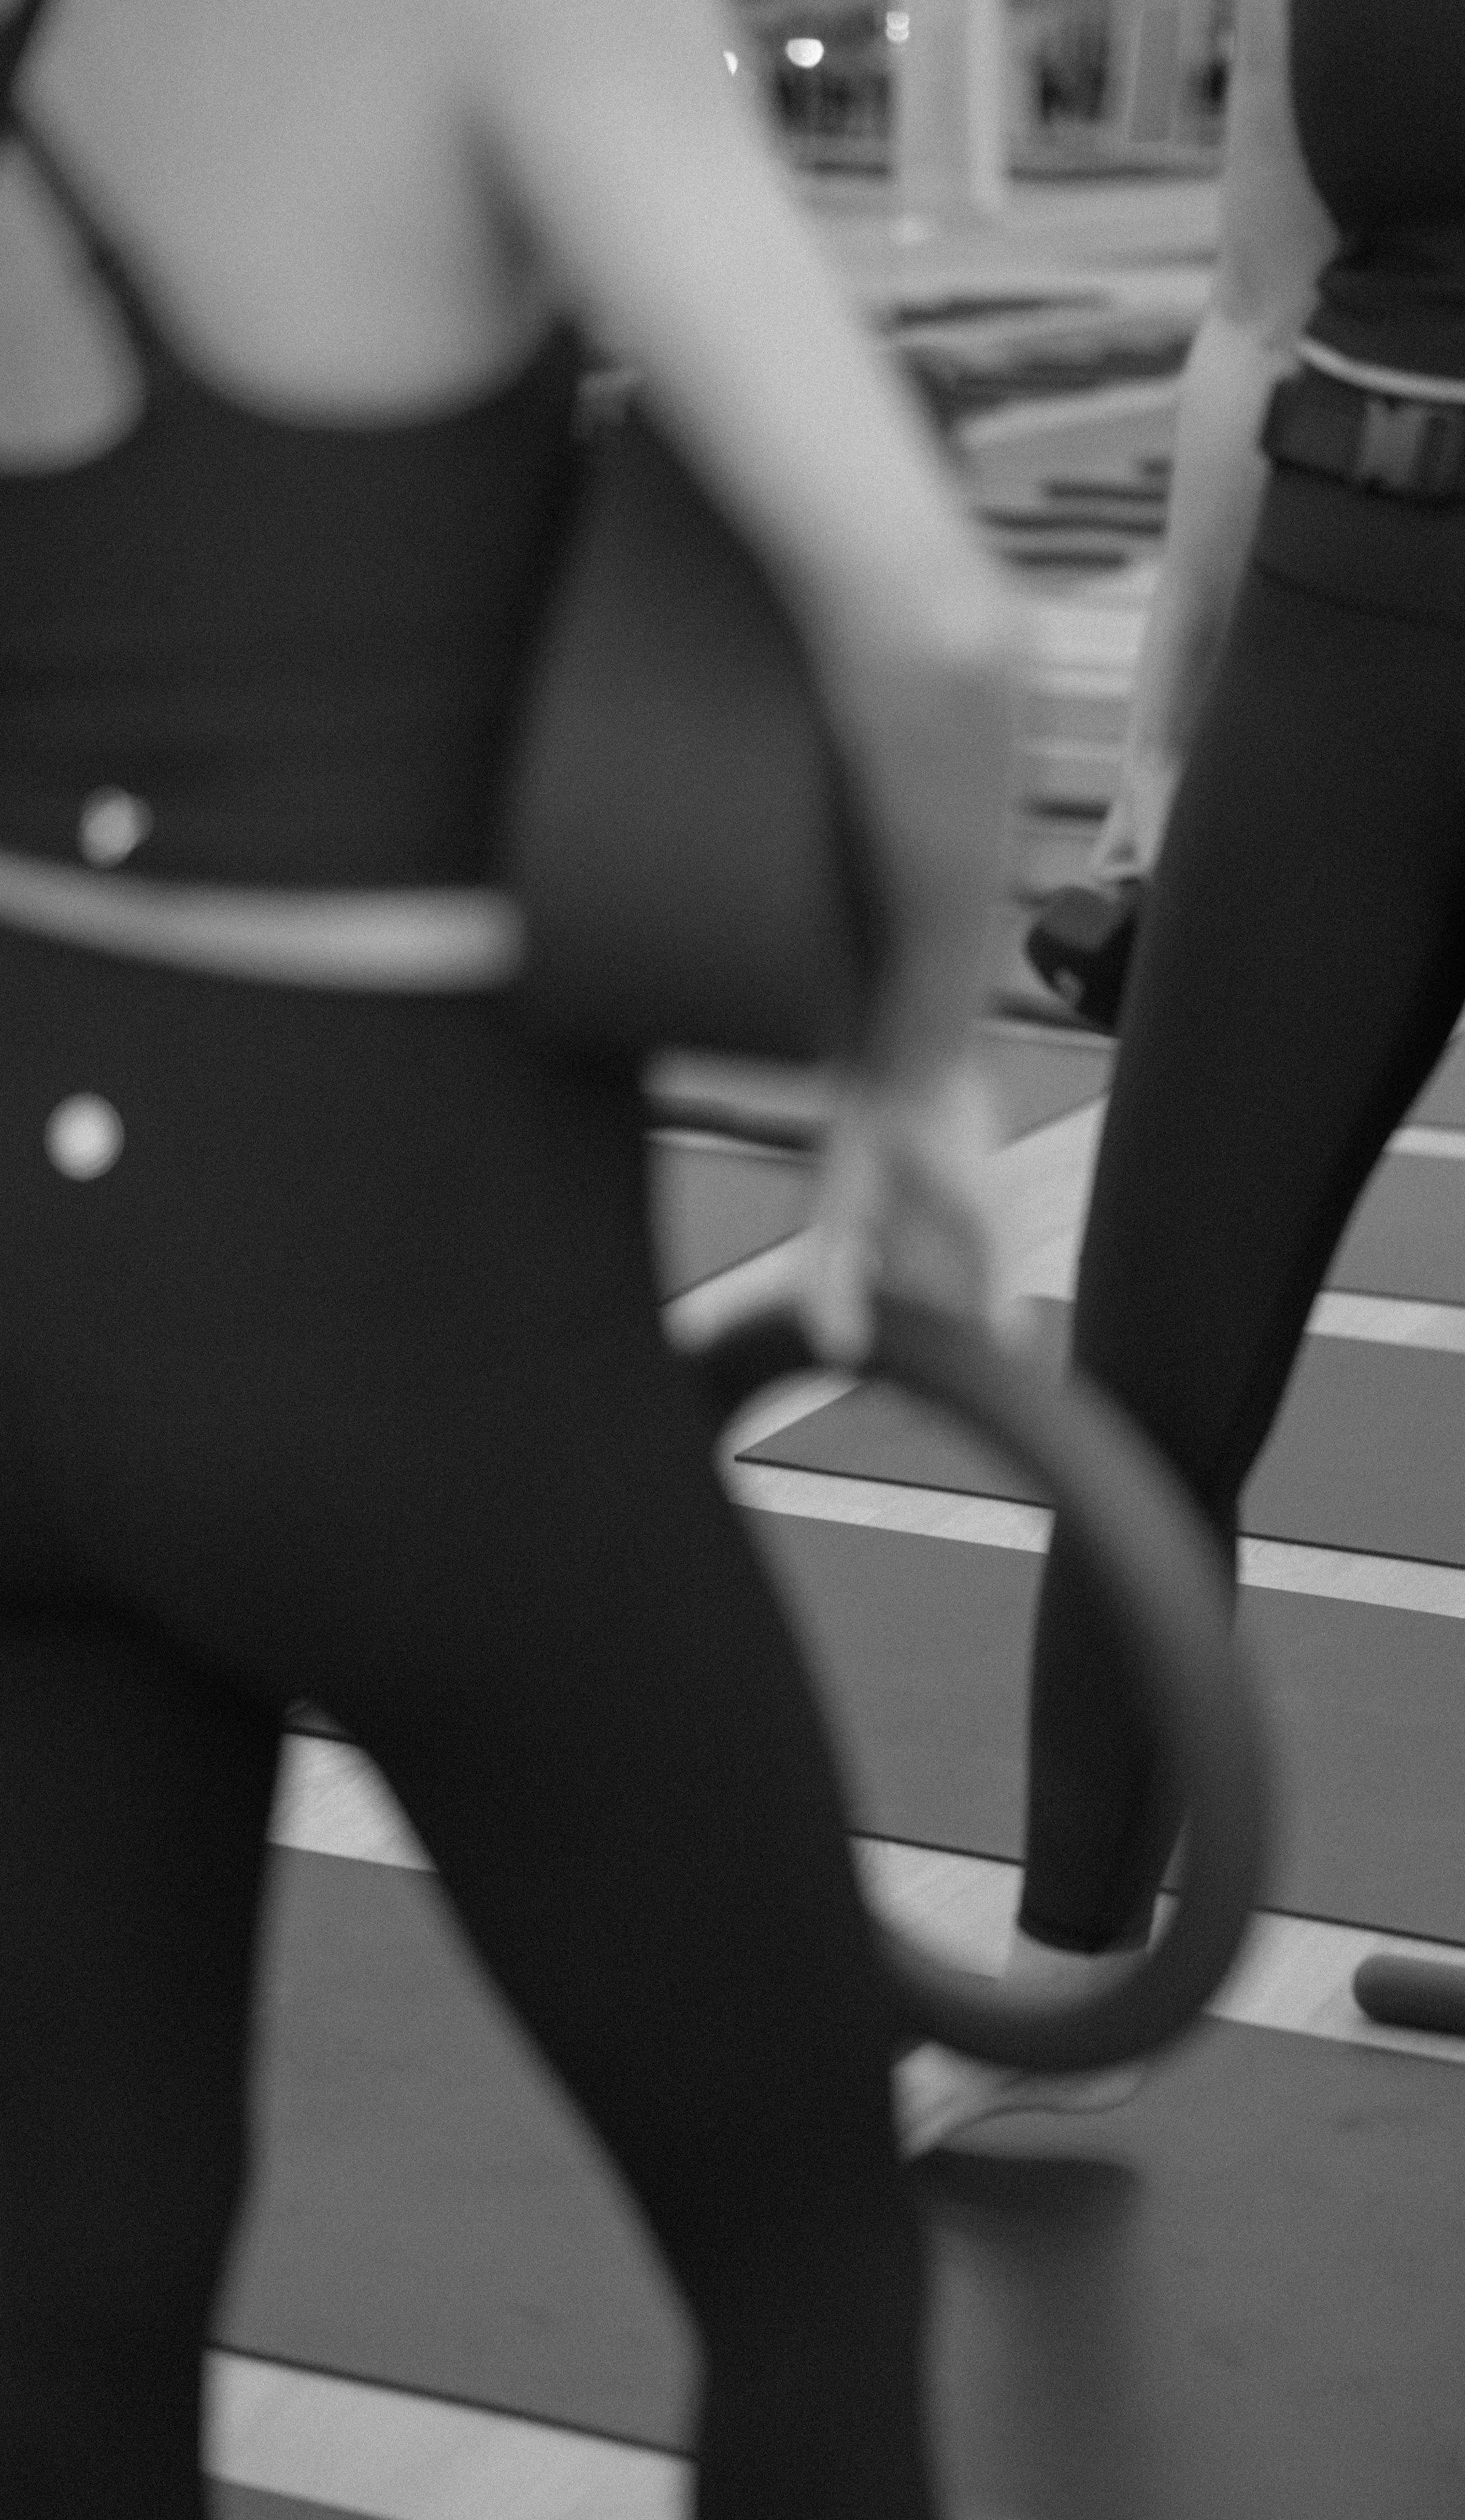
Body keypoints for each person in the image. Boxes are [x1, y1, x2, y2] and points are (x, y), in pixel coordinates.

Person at [0, 0, 1026, 2511]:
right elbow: (925, 611)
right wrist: (906, 1055)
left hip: (24, 1273)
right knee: (804, 2253)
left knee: (69, 2260)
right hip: (398, 1280)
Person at [896, 0, 1465, 2428]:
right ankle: (1070, 1976)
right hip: (1335, 608)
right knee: (1148, 1361)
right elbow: (1253, 301)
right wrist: (1147, 759)